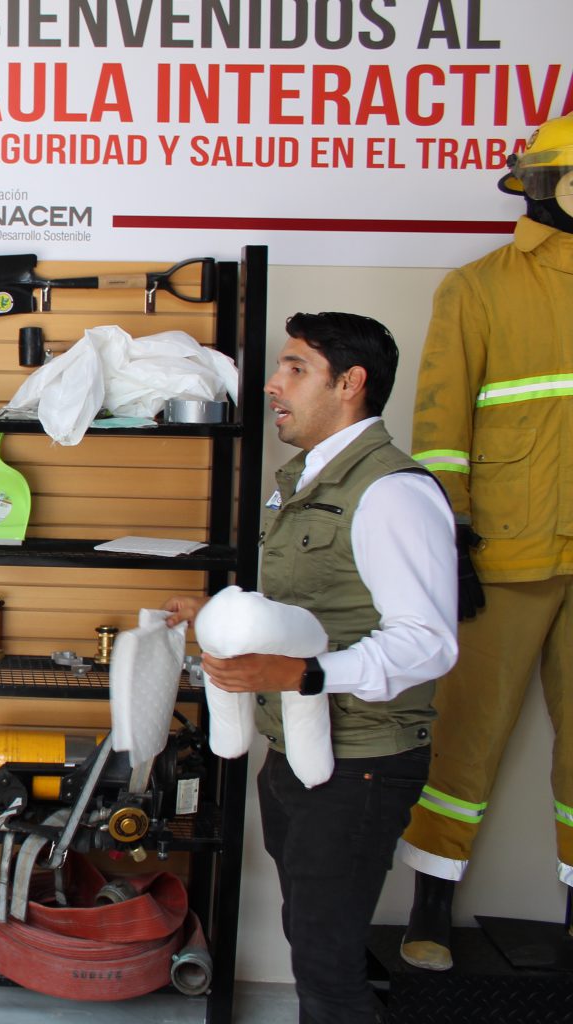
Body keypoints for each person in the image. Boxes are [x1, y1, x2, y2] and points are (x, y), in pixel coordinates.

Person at [166, 312, 458, 1024]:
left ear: (350, 384)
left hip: (360, 763)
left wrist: (308, 676)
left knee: (327, 969)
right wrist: (215, 616)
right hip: (296, 752)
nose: (273, 383)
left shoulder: (391, 492)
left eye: (296, 368)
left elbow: (429, 643)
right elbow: (303, 608)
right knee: (312, 945)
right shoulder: (304, 478)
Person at [396, 112, 573, 970]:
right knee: (469, 731)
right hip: (507, 549)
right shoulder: (478, 287)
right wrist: (448, 539)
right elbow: (438, 426)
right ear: (552, 184)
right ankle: (432, 903)